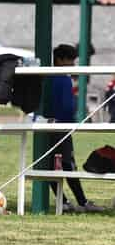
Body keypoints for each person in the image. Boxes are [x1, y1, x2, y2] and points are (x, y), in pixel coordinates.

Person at [49, 44, 104, 213]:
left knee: (50, 165)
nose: (73, 64)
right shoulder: (62, 78)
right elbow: (66, 105)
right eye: (70, 60)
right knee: (67, 164)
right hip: (61, 127)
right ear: (60, 60)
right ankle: (81, 201)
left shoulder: (53, 77)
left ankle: (65, 201)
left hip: (52, 125)